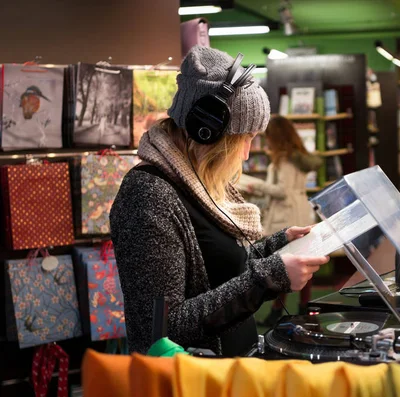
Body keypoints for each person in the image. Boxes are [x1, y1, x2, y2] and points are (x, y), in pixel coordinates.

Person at [109, 46, 328, 357]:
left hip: (232, 369)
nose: (246, 154)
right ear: (207, 134)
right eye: (244, 140)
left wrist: (279, 245)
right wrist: (268, 278)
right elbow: (162, 330)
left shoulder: (205, 186)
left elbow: (222, 269)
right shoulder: (148, 196)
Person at [246, 116, 323, 325]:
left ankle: (278, 310)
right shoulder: (298, 158)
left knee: (283, 262)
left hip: (285, 216)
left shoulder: (285, 160)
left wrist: (257, 185)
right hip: (299, 211)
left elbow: (282, 192)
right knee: (300, 261)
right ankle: (300, 307)